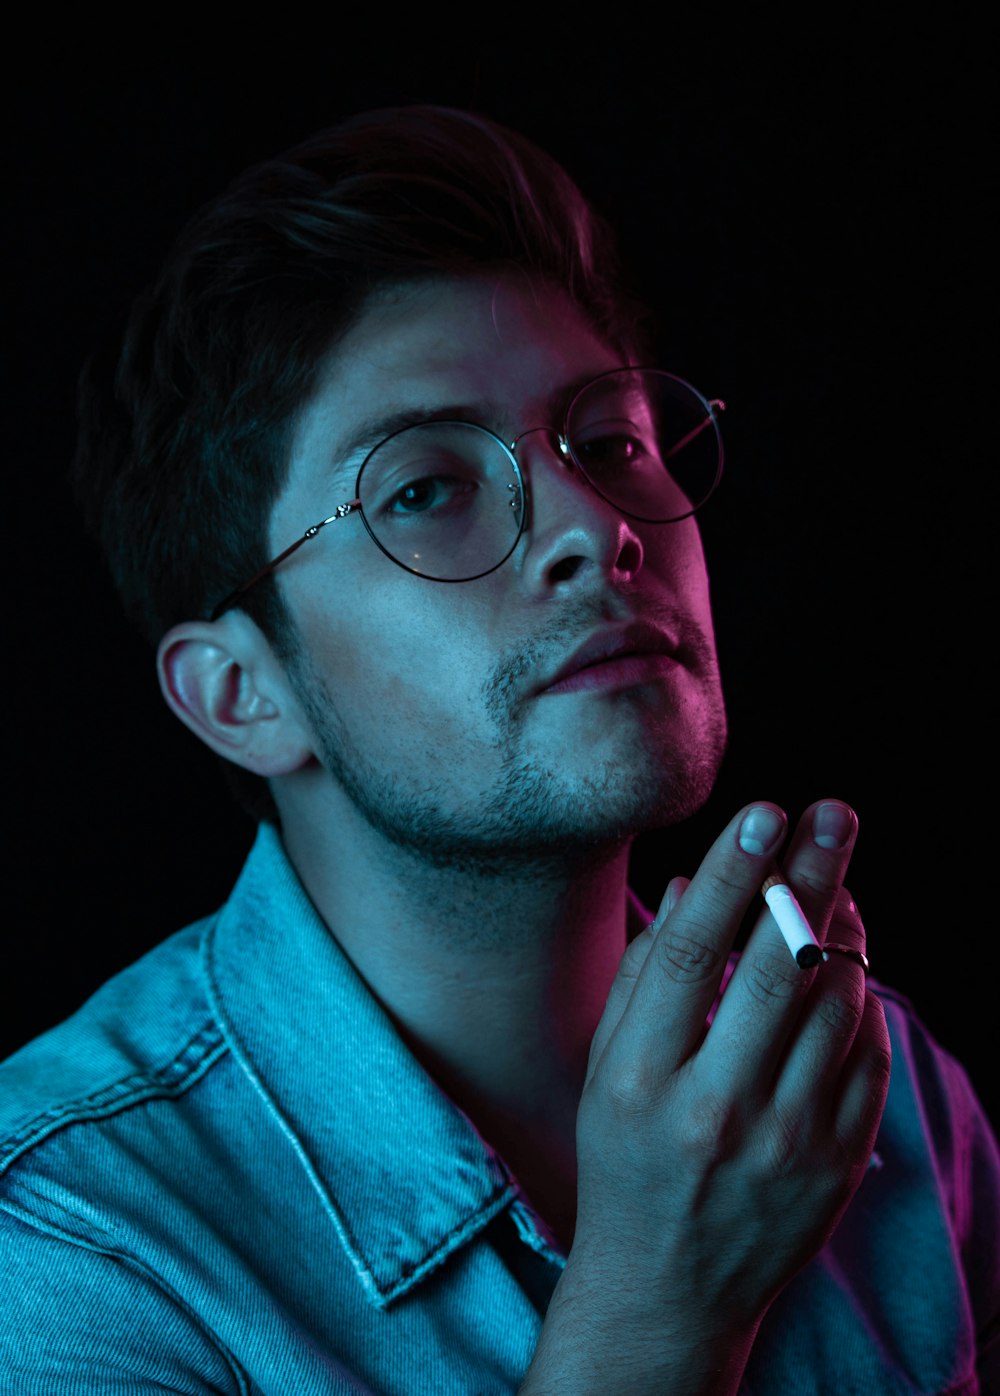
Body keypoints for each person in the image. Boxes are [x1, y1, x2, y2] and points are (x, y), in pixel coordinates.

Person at [0, 104, 996, 1395]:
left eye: (613, 442)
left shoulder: (882, 1089)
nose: (595, 522)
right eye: (424, 489)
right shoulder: (68, 1245)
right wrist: (655, 1318)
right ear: (242, 695)